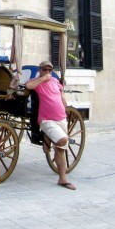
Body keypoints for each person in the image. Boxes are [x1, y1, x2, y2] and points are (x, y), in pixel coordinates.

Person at [25, 60, 76, 190]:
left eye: (50, 70)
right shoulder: (38, 82)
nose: (47, 72)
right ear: (40, 70)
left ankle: (62, 178)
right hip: (47, 120)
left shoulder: (55, 81)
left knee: (61, 149)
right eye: (44, 70)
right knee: (63, 140)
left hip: (61, 118)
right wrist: (43, 79)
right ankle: (48, 138)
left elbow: (60, 89)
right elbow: (28, 86)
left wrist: (62, 96)